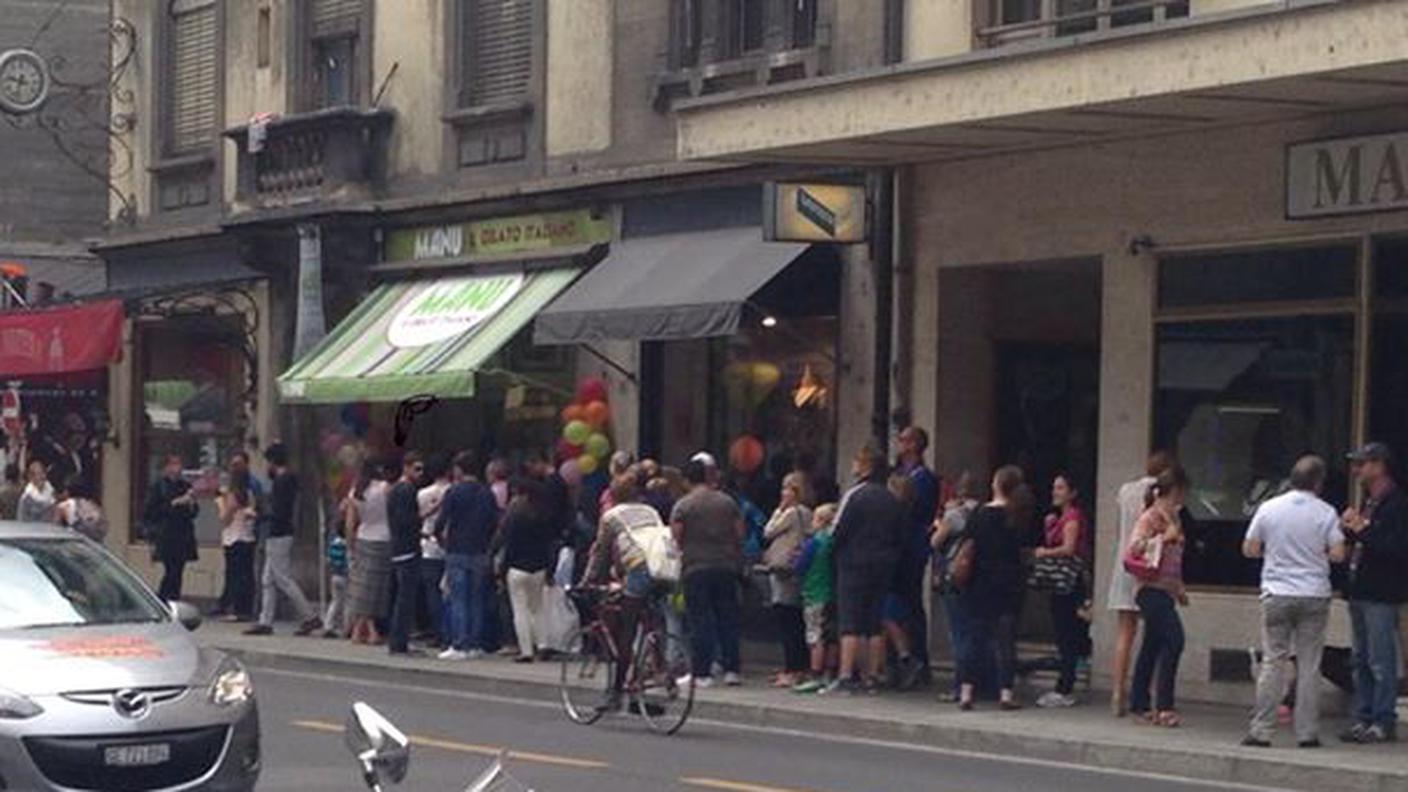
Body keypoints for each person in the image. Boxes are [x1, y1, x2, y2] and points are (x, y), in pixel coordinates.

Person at [1240, 455, 1345, 748]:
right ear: (1318, 482)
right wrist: (1316, 555)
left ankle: (1261, 730)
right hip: (1314, 593)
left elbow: (1250, 548)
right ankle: (1307, 732)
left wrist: (1276, 556)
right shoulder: (1326, 512)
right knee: (1310, 664)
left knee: (1273, 661)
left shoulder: (1269, 508)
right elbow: (1338, 553)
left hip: (1277, 591)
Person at [1339, 442, 1408, 744]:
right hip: (1360, 587)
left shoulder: (1396, 504)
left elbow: (1395, 548)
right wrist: (1351, 531)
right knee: (1361, 657)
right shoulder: (1370, 501)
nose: (1357, 470)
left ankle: (1383, 718)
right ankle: (1363, 715)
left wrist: (1362, 529)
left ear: (1379, 466)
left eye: (1362, 464)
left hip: (1381, 591)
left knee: (1381, 658)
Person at [827, 445, 905, 696]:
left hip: (853, 562)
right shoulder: (890, 498)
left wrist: (834, 552)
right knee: (873, 621)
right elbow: (897, 533)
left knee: (850, 620)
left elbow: (837, 532)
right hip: (883, 562)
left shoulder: (855, 495)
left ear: (865, 467)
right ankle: (872, 675)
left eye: (857, 461)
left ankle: (846, 675)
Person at [586, 474, 669, 709]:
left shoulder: (611, 516)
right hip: (661, 568)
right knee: (651, 620)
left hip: (639, 569)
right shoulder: (650, 511)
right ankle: (658, 666)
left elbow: (601, 553)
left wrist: (591, 579)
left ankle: (616, 693)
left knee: (627, 630)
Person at [1108, 450, 1176, 717]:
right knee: (1154, 635)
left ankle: (1117, 693)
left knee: (1124, 632)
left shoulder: (1125, 490)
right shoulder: (1163, 495)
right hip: (1150, 569)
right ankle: (1147, 692)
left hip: (1125, 563)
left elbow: (1119, 528)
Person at [957, 466, 1029, 711]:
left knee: (973, 638)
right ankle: (1006, 693)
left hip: (979, 582)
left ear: (996, 485)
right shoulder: (1018, 516)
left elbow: (968, 547)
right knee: (1006, 642)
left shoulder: (979, 514)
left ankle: (966, 692)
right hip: (1009, 585)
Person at [672, 458, 745, 688]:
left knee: (700, 620)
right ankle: (732, 669)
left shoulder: (683, 505)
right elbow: (739, 534)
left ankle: (702, 672)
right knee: (728, 617)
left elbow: (676, 539)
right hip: (725, 565)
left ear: (686, 480)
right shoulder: (727, 502)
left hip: (696, 566)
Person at [1127, 465, 1190, 728]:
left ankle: (1139, 701)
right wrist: (1163, 538)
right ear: (1174, 490)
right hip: (1149, 589)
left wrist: (1178, 587)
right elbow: (1136, 547)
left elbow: (1174, 561)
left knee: (1152, 645)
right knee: (1174, 640)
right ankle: (1164, 705)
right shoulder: (1150, 517)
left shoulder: (1175, 517)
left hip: (1166, 588)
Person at [246, 442, 321, 637]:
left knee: (282, 578)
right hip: (283, 531)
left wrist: (258, 515)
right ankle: (265, 620)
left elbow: (278, 511)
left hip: (278, 532)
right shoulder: (290, 480)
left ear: (272, 461)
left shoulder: (281, 482)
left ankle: (309, 615)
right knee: (268, 580)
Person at [436, 451, 501, 660]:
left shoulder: (453, 492)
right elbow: (495, 522)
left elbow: (441, 523)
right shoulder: (486, 493)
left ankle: (459, 643)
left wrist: (442, 541)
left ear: (459, 469)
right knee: (476, 599)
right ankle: (475, 643)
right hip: (480, 550)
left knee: (459, 599)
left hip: (457, 549)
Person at [1034, 473, 1091, 708]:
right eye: (1054, 487)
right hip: (1061, 582)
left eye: (1060, 488)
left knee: (1066, 632)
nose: (1055, 492)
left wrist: (1045, 553)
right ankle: (1066, 680)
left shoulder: (1072, 517)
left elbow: (1068, 548)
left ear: (1072, 493)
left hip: (1069, 581)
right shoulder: (1058, 518)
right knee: (1063, 632)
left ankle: (1065, 686)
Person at [893, 426, 939, 683]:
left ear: (913, 445)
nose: (899, 444)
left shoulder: (923, 478)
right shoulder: (902, 473)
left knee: (910, 603)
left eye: (903, 440)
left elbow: (913, 511)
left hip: (911, 547)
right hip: (899, 546)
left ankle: (918, 659)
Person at [497, 478, 557, 662]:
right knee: (537, 607)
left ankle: (526, 650)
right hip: (538, 567)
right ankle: (543, 644)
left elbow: (508, 543)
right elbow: (549, 545)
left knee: (520, 610)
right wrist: (550, 569)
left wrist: (502, 568)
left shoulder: (514, 515)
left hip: (517, 567)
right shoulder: (544, 515)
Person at [932, 471, 980, 702]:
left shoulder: (954, 515)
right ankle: (977, 681)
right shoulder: (983, 512)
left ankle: (960, 684)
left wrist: (940, 522)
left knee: (959, 634)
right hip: (977, 578)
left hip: (955, 575)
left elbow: (935, 541)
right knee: (974, 632)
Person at [763, 472, 812, 688]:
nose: (783, 493)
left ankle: (793, 668)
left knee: (786, 617)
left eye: (787, 489)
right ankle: (796, 666)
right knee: (794, 618)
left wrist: (778, 510)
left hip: (783, 568)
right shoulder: (808, 513)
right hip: (795, 567)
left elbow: (768, 531)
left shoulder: (790, 513)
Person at [344, 459, 393, 645]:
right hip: (384, 538)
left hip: (363, 537)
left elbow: (350, 524)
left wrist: (350, 546)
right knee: (376, 587)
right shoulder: (385, 489)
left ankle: (360, 629)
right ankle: (369, 630)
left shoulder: (356, 492)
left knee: (362, 586)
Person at [793, 502, 839, 694]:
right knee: (831, 636)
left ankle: (815, 673)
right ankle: (830, 672)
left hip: (814, 592)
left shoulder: (814, 543)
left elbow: (800, 566)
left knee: (815, 636)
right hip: (832, 593)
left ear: (820, 521)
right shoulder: (833, 542)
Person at [144, 454, 198, 601]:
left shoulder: (185, 486)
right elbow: (151, 511)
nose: (177, 468)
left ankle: (173, 598)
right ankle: (162, 599)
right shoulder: (158, 487)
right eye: (173, 464)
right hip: (166, 535)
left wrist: (191, 504)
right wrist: (175, 503)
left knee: (179, 570)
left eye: (179, 464)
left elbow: (194, 513)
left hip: (183, 535)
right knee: (171, 570)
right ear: (166, 468)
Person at [386, 453, 424, 656]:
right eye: (416, 469)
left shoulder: (395, 490)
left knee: (403, 598)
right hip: (407, 549)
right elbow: (405, 521)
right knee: (405, 599)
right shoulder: (406, 491)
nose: (420, 474)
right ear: (406, 468)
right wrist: (421, 517)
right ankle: (399, 641)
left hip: (400, 548)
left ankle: (399, 639)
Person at [216, 460, 259, 622]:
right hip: (247, 537)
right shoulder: (249, 493)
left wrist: (221, 504)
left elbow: (225, 519)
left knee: (235, 574)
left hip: (234, 538)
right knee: (247, 574)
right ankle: (246, 608)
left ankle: (237, 608)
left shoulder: (233, 495)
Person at [417, 454, 452, 647]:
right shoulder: (453, 490)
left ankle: (438, 632)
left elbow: (418, 517)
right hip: (450, 544)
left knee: (432, 593)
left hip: (428, 544)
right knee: (449, 591)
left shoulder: (422, 493)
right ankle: (450, 631)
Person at [323, 524, 350, 639]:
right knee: (347, 602)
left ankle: (328, 625)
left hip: (334, 576)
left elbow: (328, 560)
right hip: (345, 576)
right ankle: (346, 626)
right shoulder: (347, 545)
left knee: (335, 601)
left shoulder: (333, 543)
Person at [18, 458, 56, 523]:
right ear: (31, 477)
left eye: (43, 473)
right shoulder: (26, 498)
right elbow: (21, 520)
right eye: (38, 474)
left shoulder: (52, 492)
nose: (42, 477)